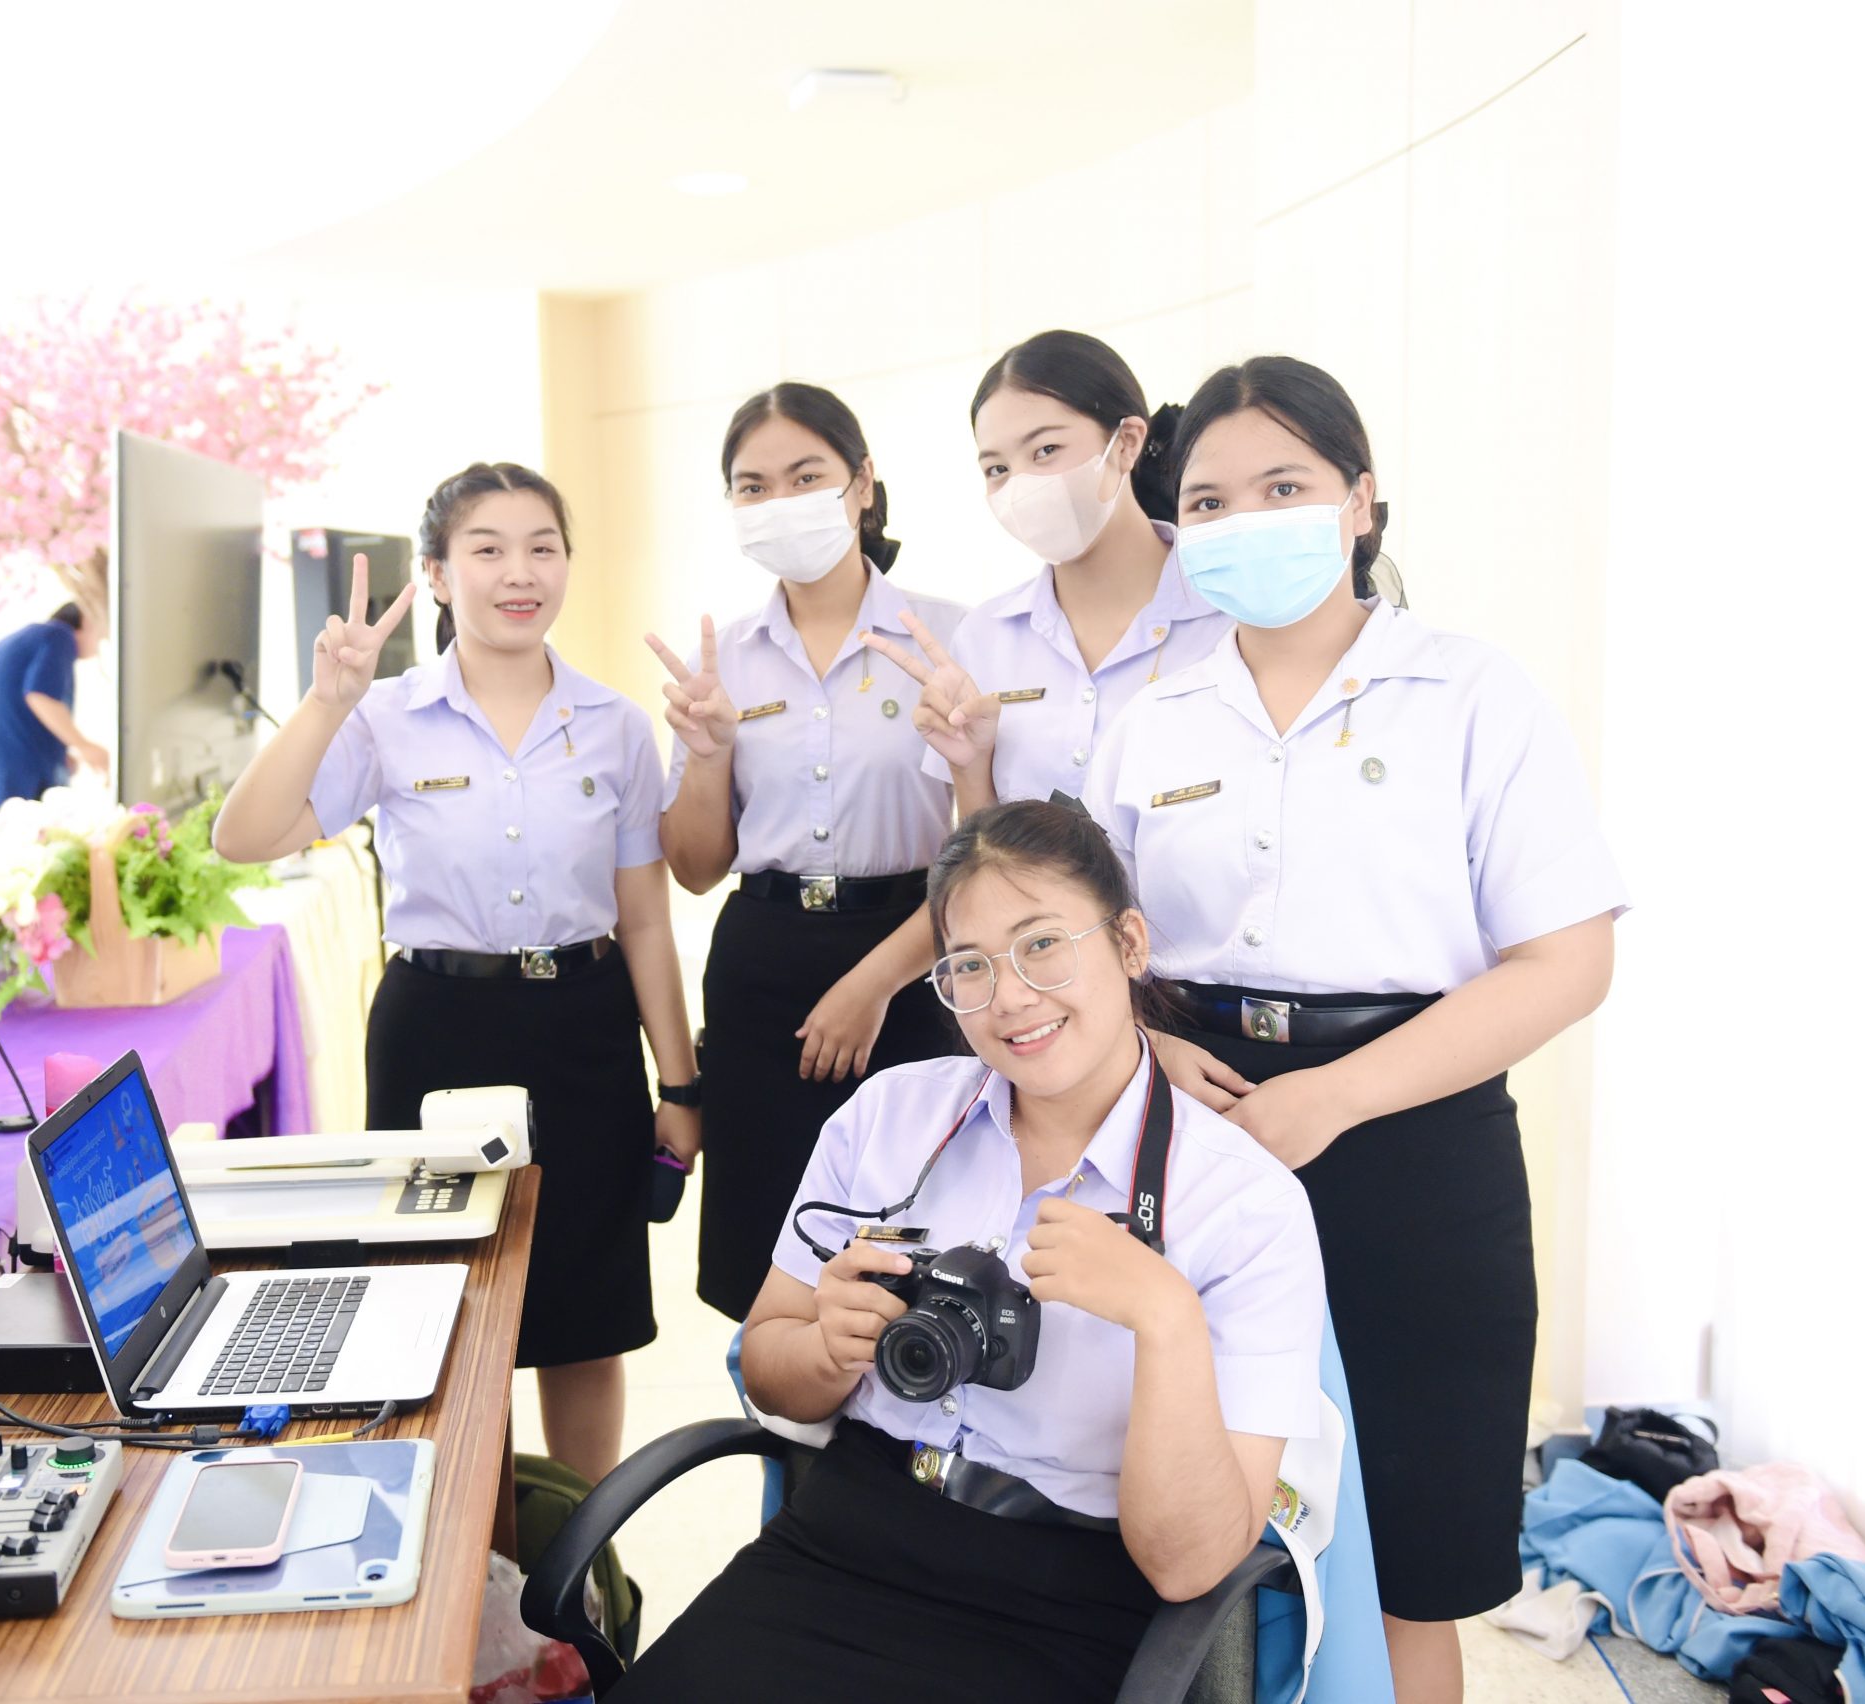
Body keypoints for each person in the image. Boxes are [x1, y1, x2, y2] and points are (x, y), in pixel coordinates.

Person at [1083, 356, 1625, 1704]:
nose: (1245, 520)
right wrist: (1145, 1048)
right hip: (1194, 1126)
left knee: (1407, 1555)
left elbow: (1567, 960)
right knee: (1182, 1520)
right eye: (1209, 502)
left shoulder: (1471, 693)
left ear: (1362, 500)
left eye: (1285, 487)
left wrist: (1333, 1097)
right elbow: (1093, 943)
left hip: (1416, 1140)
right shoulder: (1151, 720)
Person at [614, 798, 1325, 1703]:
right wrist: (827, 1348)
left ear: (1130, 943)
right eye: (969, 967)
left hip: (1067, 1597)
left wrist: (1165, 1318)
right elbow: (768, 1366)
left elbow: (1190, 1567)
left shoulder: (1245, 1204)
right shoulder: (890, 1118)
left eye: (1042, 945)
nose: (1011, 997)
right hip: (843, 1541)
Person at [212, 462, 700, 1484]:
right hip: (435, 1028)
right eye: (488, 550)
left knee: (586, 1320)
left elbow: (648, 920)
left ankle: (578, 1540)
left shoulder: (615, 725)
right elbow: (242, 838)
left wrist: (681, 1085)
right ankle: (470, 1541)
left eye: (542, 548)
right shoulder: (383, 716)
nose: (519, 573)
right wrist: (325, 703)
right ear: (436, 574)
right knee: (442, 1305)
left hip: (585, 1025)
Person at [649, 382, 966, 1321]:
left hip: (916, 958)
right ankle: (774, 1419)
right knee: (768, 1264)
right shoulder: (726, 660)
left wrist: (875, 983)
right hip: (763, 971)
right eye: (753, 486)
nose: (779, 502)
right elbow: (695, 869)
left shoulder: (951, 637)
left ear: (861, 484)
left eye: (805, 476)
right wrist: (709, 753)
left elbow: (988, 852)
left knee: (912, 1257)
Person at [863, 329, 1230, 815]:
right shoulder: (985, 636)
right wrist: (969, 766)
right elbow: (982, 844)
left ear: (1126, 443)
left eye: (1045, 450)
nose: (1022, 486)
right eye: (997, 469)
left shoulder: (1230, 611)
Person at [0, 600, 106, 811]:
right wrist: (86, 747)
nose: (101, 643)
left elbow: (18, 706)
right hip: (16, 781)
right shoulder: (58, 636)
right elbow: (40, 697)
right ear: (86, 621)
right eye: (101, 635)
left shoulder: (31, 640)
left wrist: (59, 753)